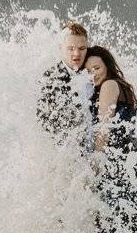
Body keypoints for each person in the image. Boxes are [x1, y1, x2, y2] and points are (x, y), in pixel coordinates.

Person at [84, 44, 137, 210]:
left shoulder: (109, 85)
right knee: (134, 218)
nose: (93, 74)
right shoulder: (121, 86)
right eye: (88, 71)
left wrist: (95, 163)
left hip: (117, 163)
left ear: (107, 65)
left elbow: (104, 128)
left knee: (113, 217)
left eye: (97, 68)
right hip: (131, 158)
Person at [37, 20, 94, 152]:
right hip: (69, 153)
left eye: (82, 48)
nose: (77, 54)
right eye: (71, 48)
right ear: (60, 48)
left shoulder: (94, 69)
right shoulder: (51, 80)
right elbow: (47, 126)